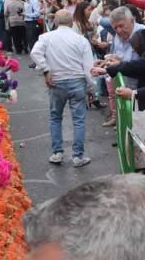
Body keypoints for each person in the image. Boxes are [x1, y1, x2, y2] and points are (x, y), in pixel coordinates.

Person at [31, 10, 96, 167]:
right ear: (72, 21)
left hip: (57, 81)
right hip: (77, 80)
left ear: (56, 21)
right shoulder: (80, 40)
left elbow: (35, 53)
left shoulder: (46, 37)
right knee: (78, 119)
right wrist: (91, 87)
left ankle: (57, 152)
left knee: (55, 117)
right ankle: (78, 156)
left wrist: (46, 70)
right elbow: (88, 65)